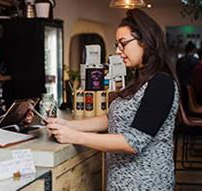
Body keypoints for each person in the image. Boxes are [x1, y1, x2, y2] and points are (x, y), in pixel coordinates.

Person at [47, 9, 179, 190]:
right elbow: (112, 118)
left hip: (146, 183)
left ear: (145, 40)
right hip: (122, 180)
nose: (118, 51)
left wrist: (76, 136)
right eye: (117, 45)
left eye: (123, 44)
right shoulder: (140, 80)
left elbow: (133, 142)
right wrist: (68, 125)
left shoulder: (161, 83)